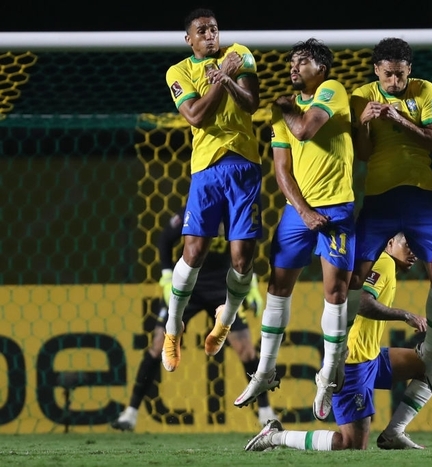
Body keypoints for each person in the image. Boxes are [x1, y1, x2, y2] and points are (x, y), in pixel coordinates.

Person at [233, 38, 355, 422]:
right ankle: (265, 371)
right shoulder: (280, 108)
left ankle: (326, 376)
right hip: (298, 213)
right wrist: (302, 212)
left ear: (320, 68)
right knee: (277, 286)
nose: (293, 67)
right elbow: (281, 169)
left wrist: (287, 108)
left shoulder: (331, 91)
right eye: (291, 61)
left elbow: (304, 131)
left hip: (337, 208)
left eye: (301, 61)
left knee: (335, 291)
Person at [245, 233, 432, 452]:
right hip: (352, 362)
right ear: (390, 243)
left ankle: (393, 433)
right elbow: (362, 301)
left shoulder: (384, 264)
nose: (414, 253)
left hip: (371, 356)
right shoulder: (382, 263)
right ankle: (276, 436)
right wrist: (405, 315)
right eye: (407, 244)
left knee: (428, 365)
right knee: (351, 445)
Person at [110, 209, 276, 431]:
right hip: (189, 285)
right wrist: (168, 275)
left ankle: (265, 412)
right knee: (158, 344)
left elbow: (246, 249)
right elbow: (164, 240)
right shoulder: (198, 208)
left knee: (246, 348)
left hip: (222, 287)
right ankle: (130, 413)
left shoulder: (237, 212)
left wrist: (251, 283)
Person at [162, 8, 262, 374]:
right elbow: (195, 116)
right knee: (195, 250)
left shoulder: (241, 54)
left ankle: (225, 322)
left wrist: (228, 77)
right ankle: (173, 328)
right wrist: (222, 79)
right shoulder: (179, 71)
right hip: (206, 169)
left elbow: (250, 105)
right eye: (201, 30)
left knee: (242, 258)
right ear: (189, 39)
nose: (210, 35)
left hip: (245, 166)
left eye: (214, 29)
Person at [347, 37, 432, 401]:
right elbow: (362, 154)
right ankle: (334, 361)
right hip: (379, 198)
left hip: (419, 196)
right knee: (353, 280)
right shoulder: (361, 95)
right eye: (388, 75)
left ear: (409, 72)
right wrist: (365, 125)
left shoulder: (424, 90)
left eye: (401, 75)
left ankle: (431, 352)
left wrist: (399, 117)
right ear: (376, 71)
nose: (394, 82)